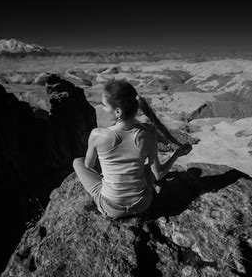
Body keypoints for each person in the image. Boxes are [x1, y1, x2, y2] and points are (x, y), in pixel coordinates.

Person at [72, 80, 192, 219]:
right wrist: (176, 154)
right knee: (146, 168)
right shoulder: (148, 134)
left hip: (111, 208)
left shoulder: (97, 135)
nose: (103, 108)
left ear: (118, 111)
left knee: (77, 162)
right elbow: (158, 175)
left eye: (104, 105)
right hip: (142, 204)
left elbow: (89, 165)